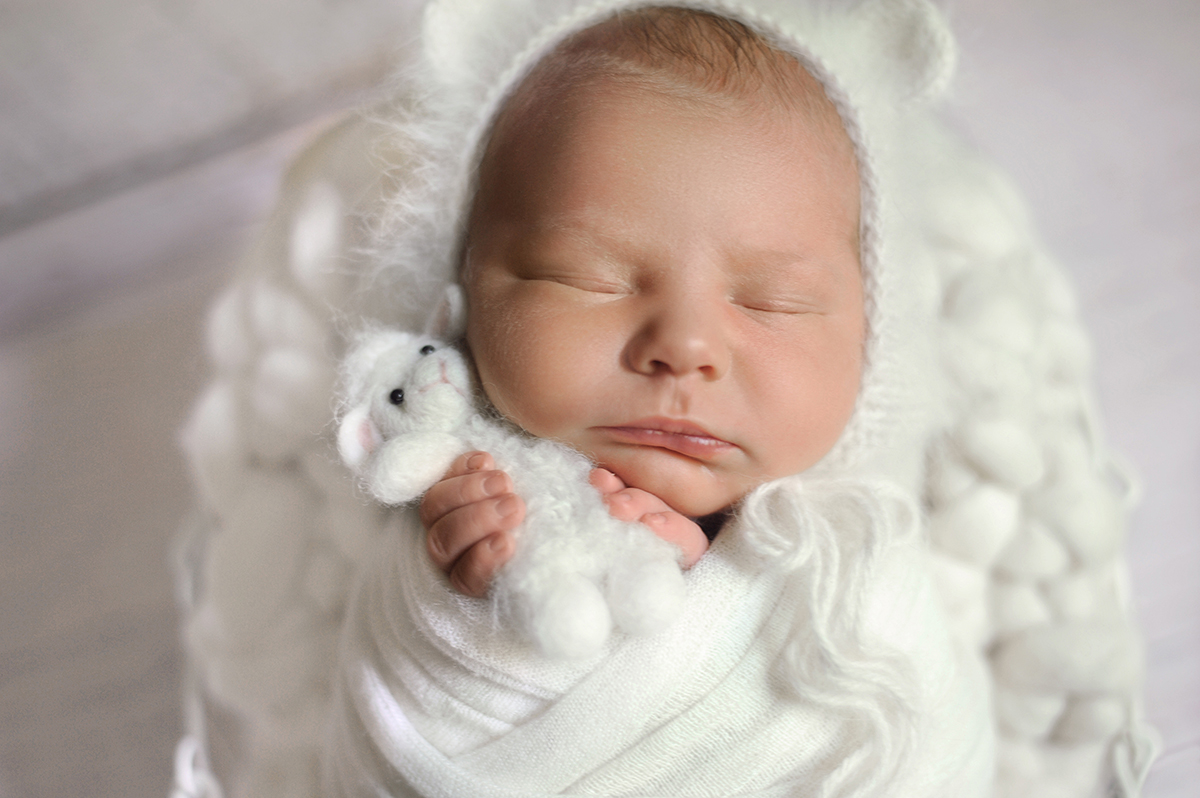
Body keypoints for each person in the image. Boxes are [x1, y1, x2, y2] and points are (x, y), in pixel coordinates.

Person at [321, 3, 994, 797]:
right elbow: (401, 718)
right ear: (459, 293)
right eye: (587, 276)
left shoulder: (861, 574)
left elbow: (934, 750)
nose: (685, 345)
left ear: (873, 345)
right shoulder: (460, 488)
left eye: (773, 300)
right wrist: (479, 599)